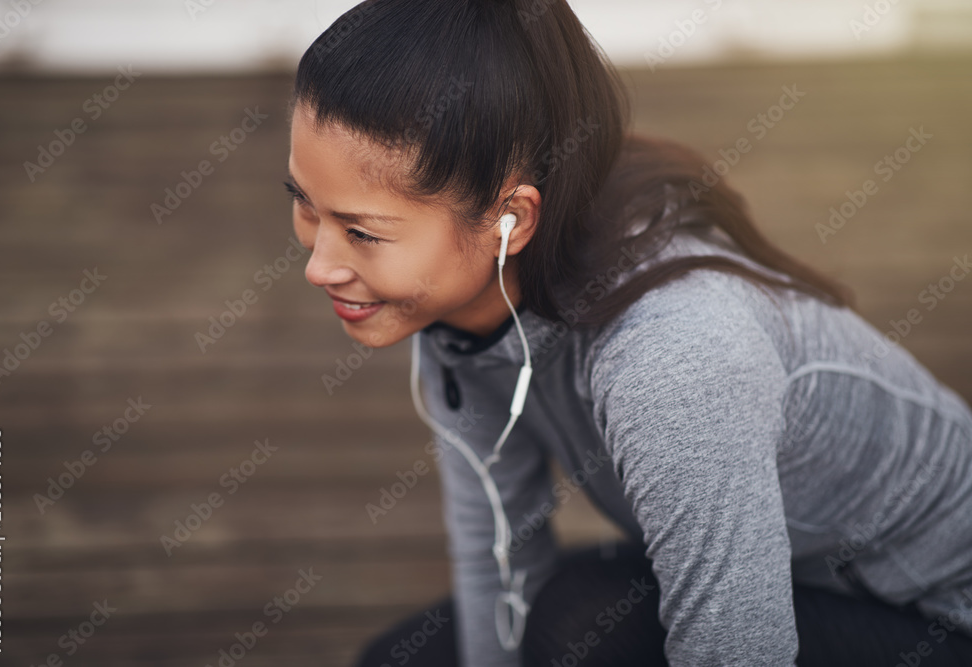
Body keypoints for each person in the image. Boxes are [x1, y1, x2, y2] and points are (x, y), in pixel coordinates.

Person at [285, 0, 972, 665]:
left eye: (362, 232)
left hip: (934, 616)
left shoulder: (674, 355)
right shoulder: (449, 305)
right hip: (795, 581)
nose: (320, 266)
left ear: (510, 220)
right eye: (305, 206)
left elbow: (738, 649)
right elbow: (497, 548)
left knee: (581, 626)